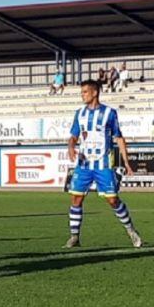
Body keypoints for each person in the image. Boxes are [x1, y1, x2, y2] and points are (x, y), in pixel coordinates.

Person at [64, 80, 140, 249]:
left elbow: (119, 137)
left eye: (85, 92)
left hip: (103, 164)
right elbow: (73, 136)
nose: (82, 95)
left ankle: (131, 230)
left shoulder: (109, 113)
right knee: (76, 199)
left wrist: (126, 162)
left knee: (113, 200)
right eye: (82, 92)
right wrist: (71, 147)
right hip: (83, 164)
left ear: (95, 93)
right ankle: (74, 237)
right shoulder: (79, 113)